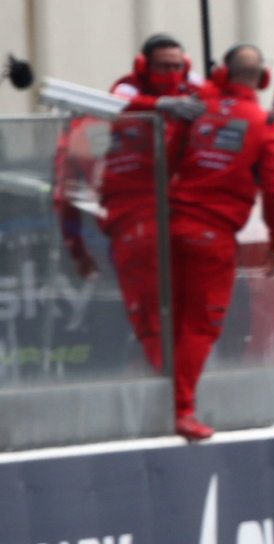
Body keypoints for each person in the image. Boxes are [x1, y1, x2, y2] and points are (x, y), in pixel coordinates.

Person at [165, 45, 274, 441]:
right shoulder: (263, 121)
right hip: (212, 236)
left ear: (223, 73)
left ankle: (162, 401)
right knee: (201, 326)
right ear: (263, 78)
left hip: (172, 226)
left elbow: (165, 158)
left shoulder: (197, 107)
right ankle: (182, 411)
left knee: (174, 321)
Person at [105, 34, 207, 370]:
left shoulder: (191, 90)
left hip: (178, 207)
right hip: (134, 206)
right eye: (163, 66)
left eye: (176, 66)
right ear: (144, 66)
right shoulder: (129, 87)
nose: (171, 73)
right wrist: (161, 105)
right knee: (147, 299)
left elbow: (221, 103)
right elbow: (114, 102)